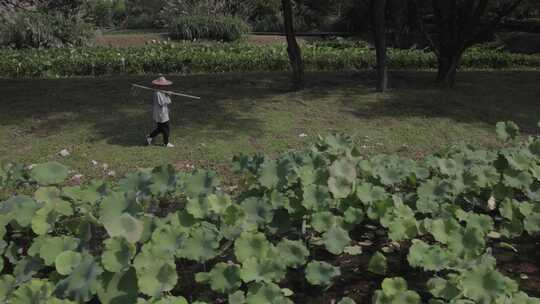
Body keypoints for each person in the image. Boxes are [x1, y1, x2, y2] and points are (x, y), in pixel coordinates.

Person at [146, 76, 175, 147]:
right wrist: (168, 95)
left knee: (160, 128)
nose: (165, 86)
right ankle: (166, 143)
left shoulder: (160, 92)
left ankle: (149, 137)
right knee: (166, 128)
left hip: (162, 112)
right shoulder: (158, 93)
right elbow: (161, 103)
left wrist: (166, 94)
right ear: (160, 85)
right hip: (161, 114)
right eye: (163, 85)